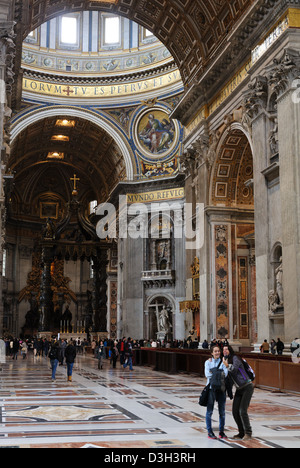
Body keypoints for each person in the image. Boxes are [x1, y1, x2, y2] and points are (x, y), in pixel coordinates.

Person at [223, 345, 254, 441]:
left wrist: (227, 366)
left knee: (242, 411)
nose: (225, 351)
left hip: (247, 386)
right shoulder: (226, 360)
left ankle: (248, 433)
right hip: (239, 388)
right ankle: (241, 432)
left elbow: (235, 370)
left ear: (230, 350)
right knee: (235, 411)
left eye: (226, 349)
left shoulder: (235, 358)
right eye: (223, 350)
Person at [204, 344, 228, 440]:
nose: (217, 352)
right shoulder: (208, 362)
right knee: (209, 411)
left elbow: (225, 374)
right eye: (215, 351)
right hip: (211, 388)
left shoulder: (223, 361)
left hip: (221, 388)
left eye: (218, 351)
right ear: (212, 353)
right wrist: (219, 373)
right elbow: (207, 374)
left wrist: (214, 372)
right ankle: (210, 431)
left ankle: (221, 432)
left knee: (222, 411)